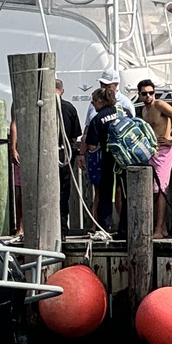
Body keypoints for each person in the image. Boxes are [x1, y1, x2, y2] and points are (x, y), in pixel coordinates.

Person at [136, 79, 172, 238]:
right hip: (151, 152)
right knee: (153, 190)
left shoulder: (160, 105)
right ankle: (161, 227)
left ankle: (158, 228)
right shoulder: (144, 110)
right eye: (145, 94)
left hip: (164, 151)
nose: (149, 96)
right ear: (139, 95)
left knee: (160, 189)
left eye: (151, 93)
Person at [80, 87, 119, 231]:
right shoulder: (120, 112)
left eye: (94, 101)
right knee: (123, 193)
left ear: (101, 101)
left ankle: (104, 226)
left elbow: (91, 145)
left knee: (104, 194)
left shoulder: (97, 119)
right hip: (125, 159)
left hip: (107, 160)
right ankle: (124, 227)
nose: (92, 103)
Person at [56, 78, 83, 233]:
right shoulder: (69, 108)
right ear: (63, 90)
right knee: (63, 190)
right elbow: (74, 136)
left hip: (47, 154)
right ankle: (62, 227)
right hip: (65, 153)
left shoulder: (41, 107)